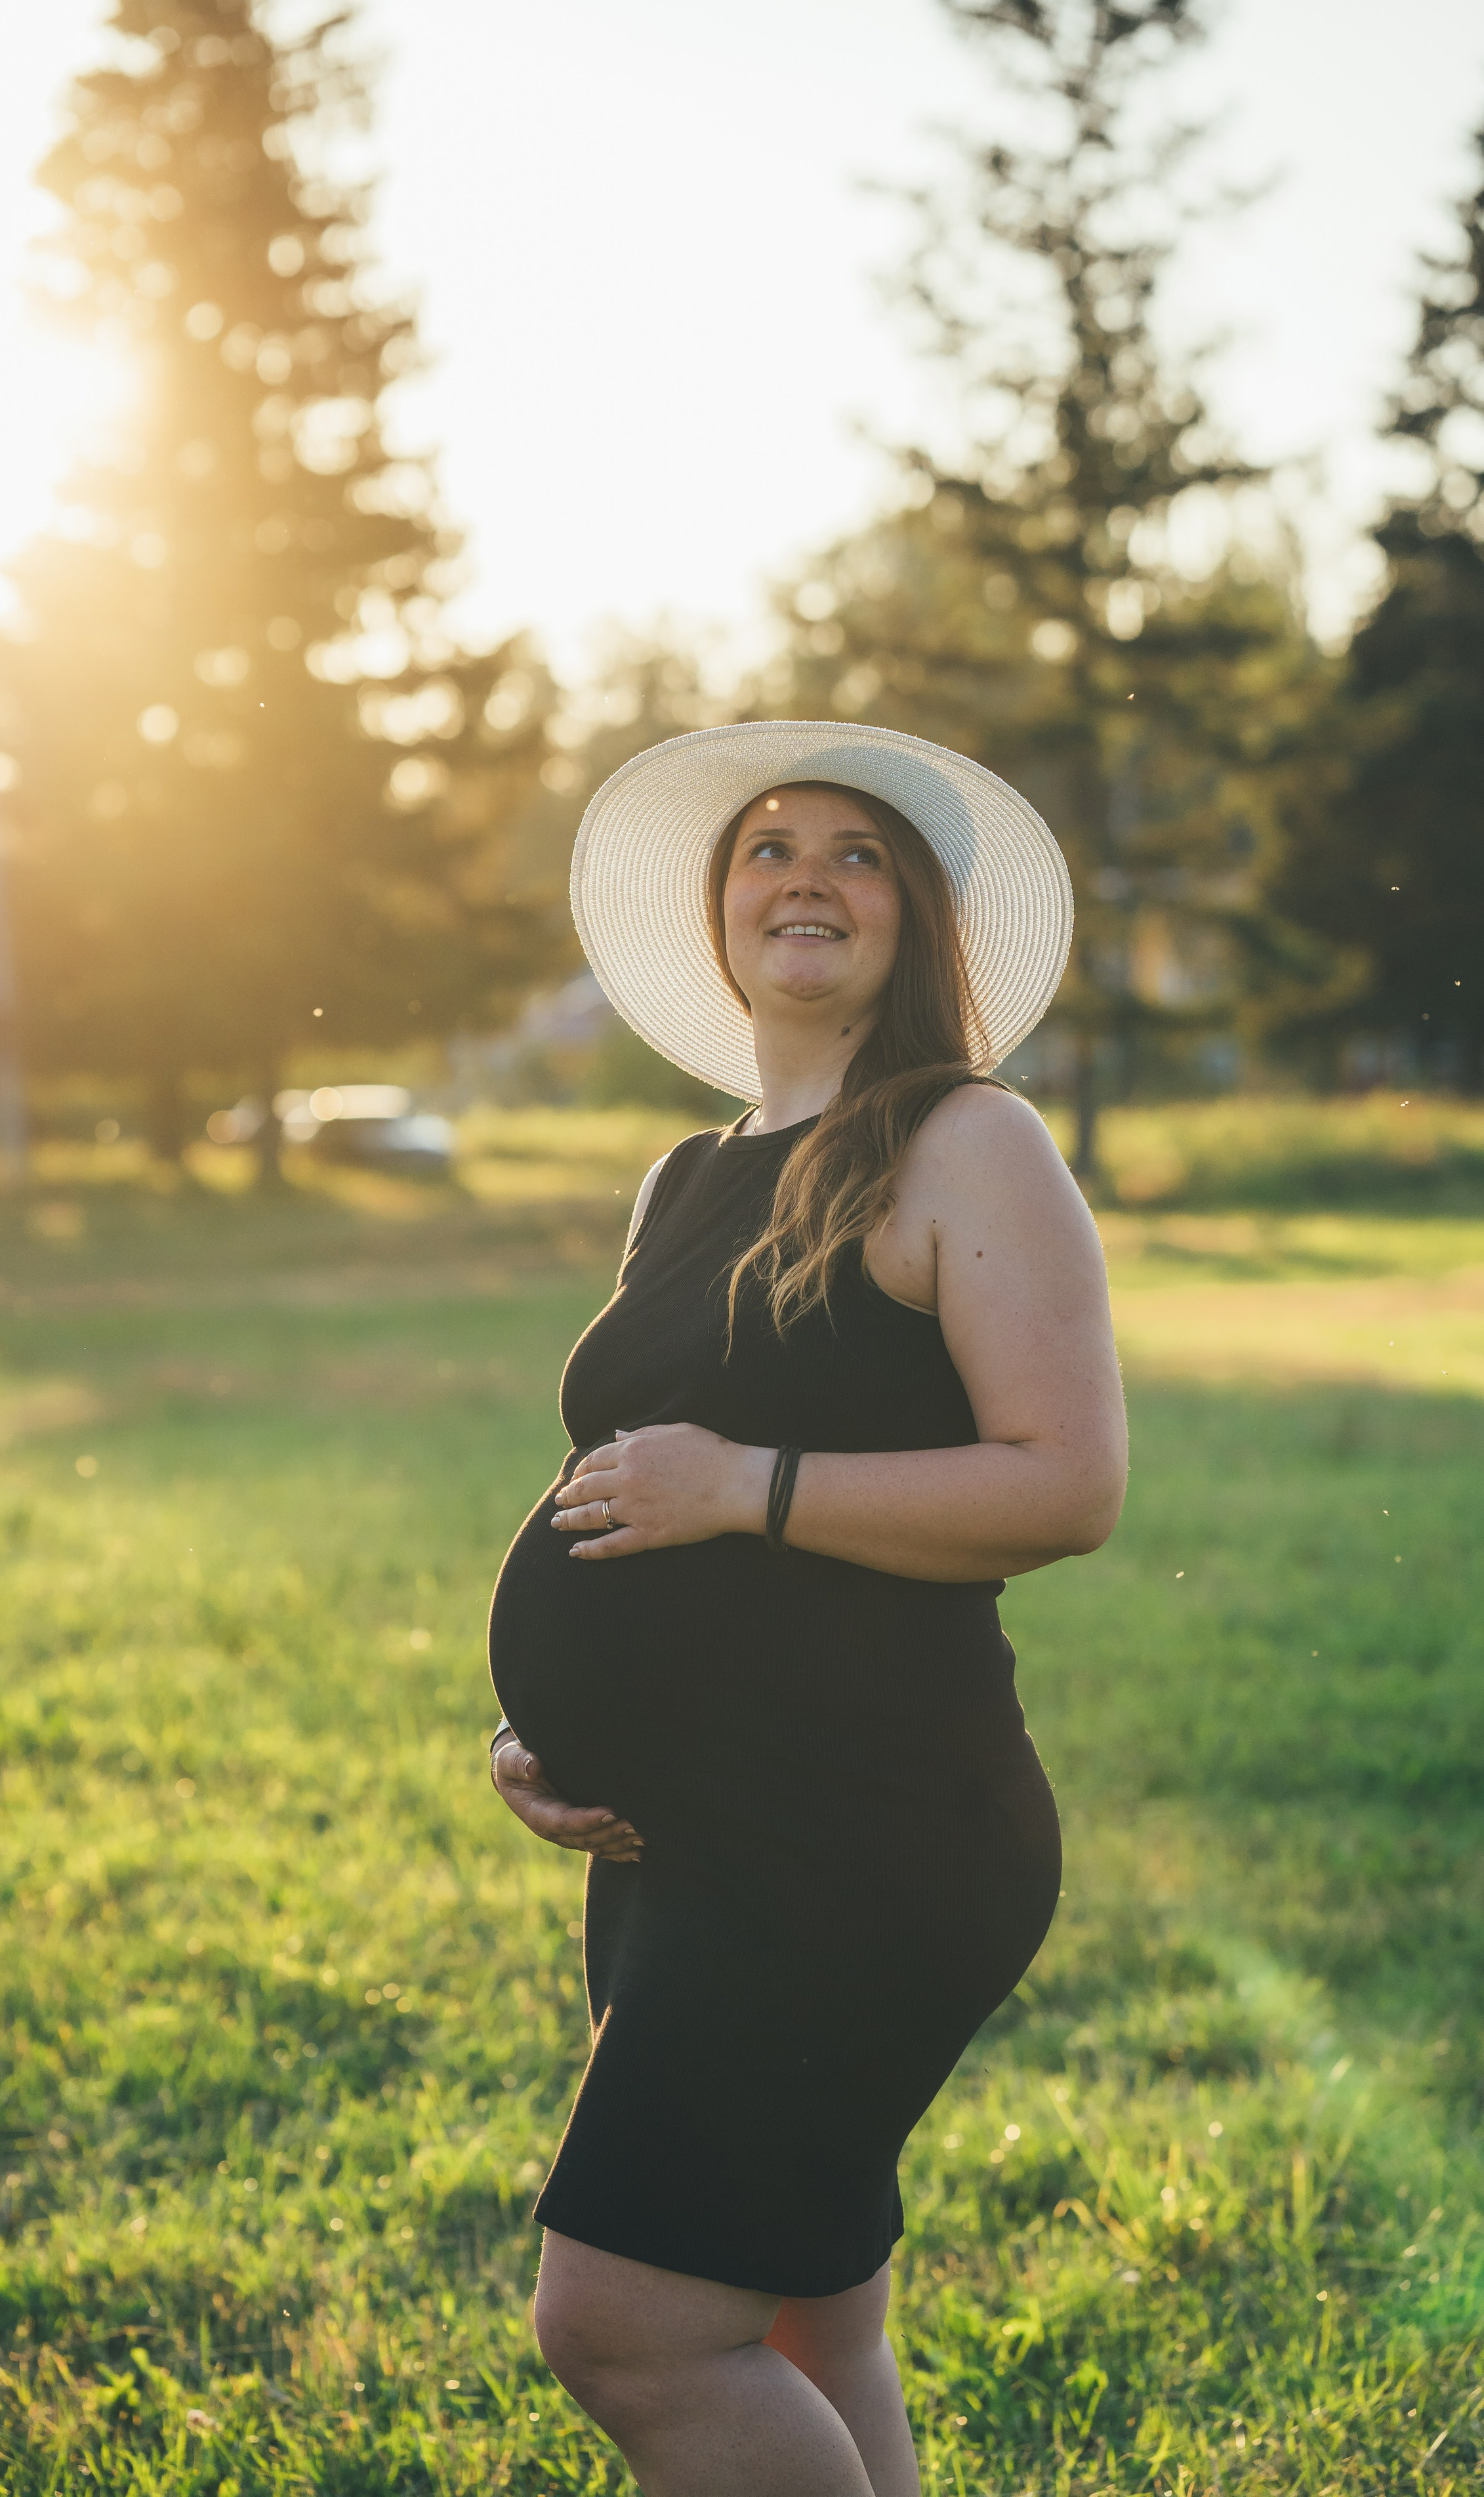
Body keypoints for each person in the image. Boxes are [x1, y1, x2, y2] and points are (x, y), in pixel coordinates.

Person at [486, 721, 1126, 2496]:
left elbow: (1065, 1482)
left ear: (916, 920)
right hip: (681, 1831)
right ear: (719, 914)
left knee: (623, 2325)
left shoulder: (967, 1142)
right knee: (797, 2320)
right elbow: (626, 1479)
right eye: (769, 848)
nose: (808, 878)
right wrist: (549, 1727)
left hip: (863, 1829)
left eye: (857, 854)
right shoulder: (686, 1181)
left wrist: (751, 1486)